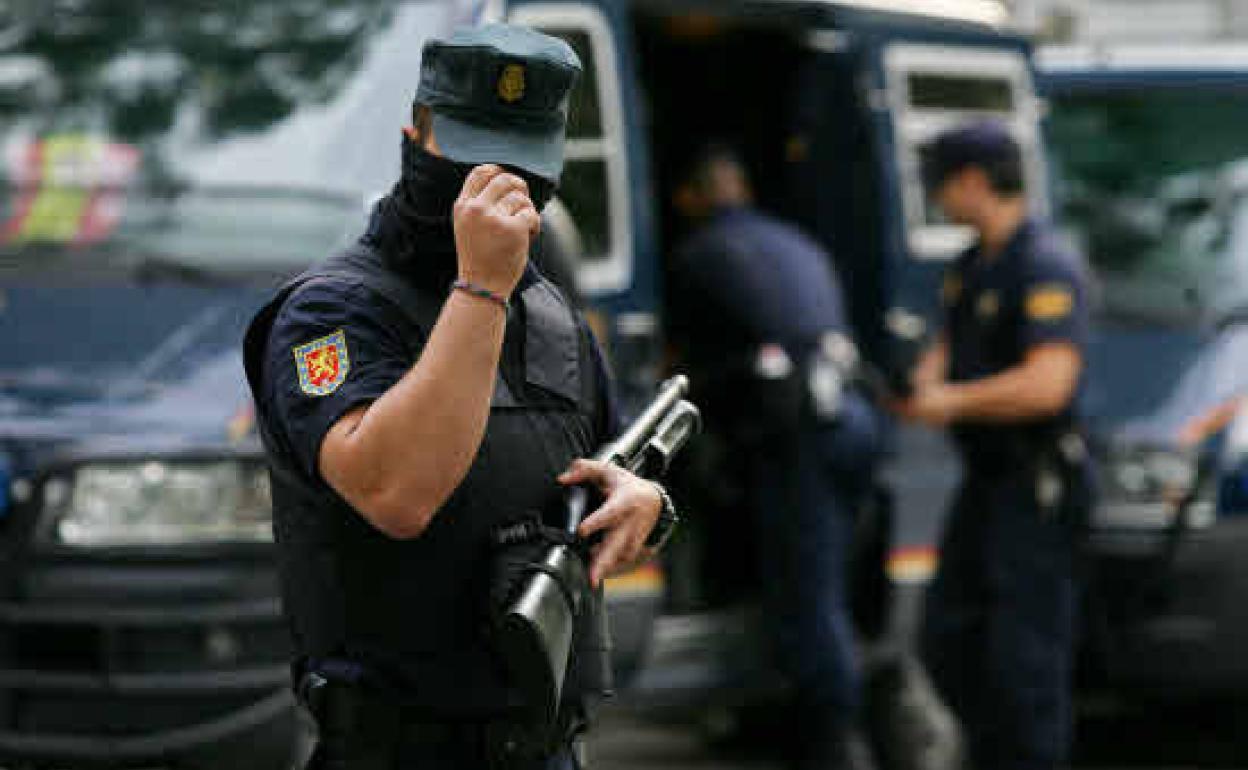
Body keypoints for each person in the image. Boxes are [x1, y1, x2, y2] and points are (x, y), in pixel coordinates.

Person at [242, 24, 677, 770]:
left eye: (520, 163)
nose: (495, 185)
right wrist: (479, 288)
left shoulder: (551, 315)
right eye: (472, 156)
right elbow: (396, 493)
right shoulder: (331, 311)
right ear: (415, 136)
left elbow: (607, 466)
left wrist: (647, 504)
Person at [667, 145, 882, 770]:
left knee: (809, 597)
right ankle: (795, 716)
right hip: (851, 417)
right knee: (820, 584)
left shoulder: (700, 254)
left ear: (691, 197)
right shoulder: (797, 242)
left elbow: (680, 364)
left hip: (800, 432)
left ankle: (835, 746)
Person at [892, 121, 1094, 770]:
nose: (937, 198)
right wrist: (919, 386)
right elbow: (944, 352)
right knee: (950, 639)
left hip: (1035, 483)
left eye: (941, 184)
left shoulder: (1043, 264)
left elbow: (1048, 386)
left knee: (1024, 663)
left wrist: (950, 401)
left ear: (975, 182)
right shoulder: (972, 266)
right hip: (985, 481)